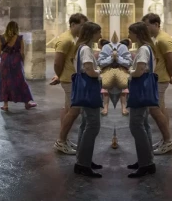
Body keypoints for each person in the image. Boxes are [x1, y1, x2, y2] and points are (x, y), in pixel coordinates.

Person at [52, 13, 89, 155]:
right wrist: (60, 76)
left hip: (70, 78)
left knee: (68, 109)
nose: (82, 28)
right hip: (69, 79)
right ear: (73, 24)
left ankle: (64, 139)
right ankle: (61, 141)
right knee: (74, 110)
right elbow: (57, 62)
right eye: (81, 25)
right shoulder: (66, 40)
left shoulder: (72, 39)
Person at [141, 13, 172, 155]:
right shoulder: (157, 39)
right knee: (161, 108)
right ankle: (165, 139)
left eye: (147, 25)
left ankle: (168, 141)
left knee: (155, 109)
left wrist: (168, 76)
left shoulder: (163, 40)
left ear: (156, 24)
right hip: (158, 78)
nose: (146, 28)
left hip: (160, 79)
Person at [72, 22, 103, 178]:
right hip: (89, 90)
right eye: (99, 32)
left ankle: (83, 159)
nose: (101, 36)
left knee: (85, 125)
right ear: (91, 33)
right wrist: (100, 72)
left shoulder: (82, 48)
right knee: (93, 125)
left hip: (85, 91)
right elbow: (90, 71)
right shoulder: (85, 50)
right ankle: (83, 164)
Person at [126, 22, 157, 178]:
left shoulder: (144, 49)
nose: (128, 36)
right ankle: (146, 159)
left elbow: (139, 71)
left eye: (130, 32)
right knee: (143, 125)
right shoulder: (147, 48)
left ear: (137, 34)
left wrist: (129, 71)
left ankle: (146, 164)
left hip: (140, 90)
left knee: (136, 125)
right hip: (144, 91)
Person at [0, 21, 36, 111]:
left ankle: (5, 105)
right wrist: (23, 61)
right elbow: (22, 52)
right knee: (20, 81)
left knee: (5, 82)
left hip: (5, 61)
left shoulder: (2, 37)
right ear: (16, 28)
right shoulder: (19, 38)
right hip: (16, 61)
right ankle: (27, 103)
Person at [98, 35, 132, 117]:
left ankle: (123, 107)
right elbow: (100, 63)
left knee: (123, 91)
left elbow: (128, 63)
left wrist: (117, 58)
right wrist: (111, 58)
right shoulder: (106, 47)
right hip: (107, 71)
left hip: (122, 71)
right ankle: (105, 107)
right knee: (105, 90)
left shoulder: (123, 48)